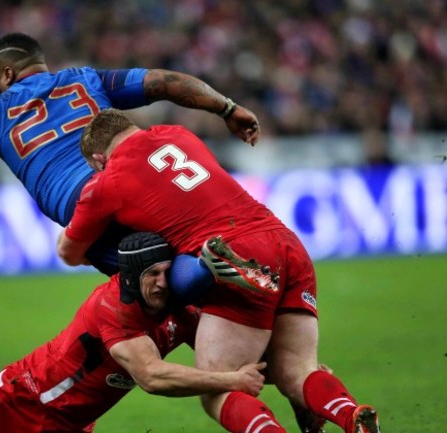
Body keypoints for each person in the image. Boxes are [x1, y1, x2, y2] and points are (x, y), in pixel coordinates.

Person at [57, 109, 381, 433]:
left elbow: (68, 252)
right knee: (296, 370)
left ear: (100, 159)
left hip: (233, 255)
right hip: (286, 242)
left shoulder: (106, 181)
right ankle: (351, 416)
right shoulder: (177, 134)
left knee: (220, 387)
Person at [0, 31, 262, 301]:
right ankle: (211, 267)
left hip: (85, 201)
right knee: (174, 255)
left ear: (7, 75)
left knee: (155, 285)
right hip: (134, 180)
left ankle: (205, 270)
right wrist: (227, 108)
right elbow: (164, 82)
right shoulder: (86, 78)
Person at [0, 231, 267, 433]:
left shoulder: (182, 310)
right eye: (152, 274)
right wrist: (232, 381)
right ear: (132, 277)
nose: (163, 282)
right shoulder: (112, 310)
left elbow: (239, 355)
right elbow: (153, 377)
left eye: (167, 271)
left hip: (71, 425)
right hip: (23, 397)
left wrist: (299, 375)